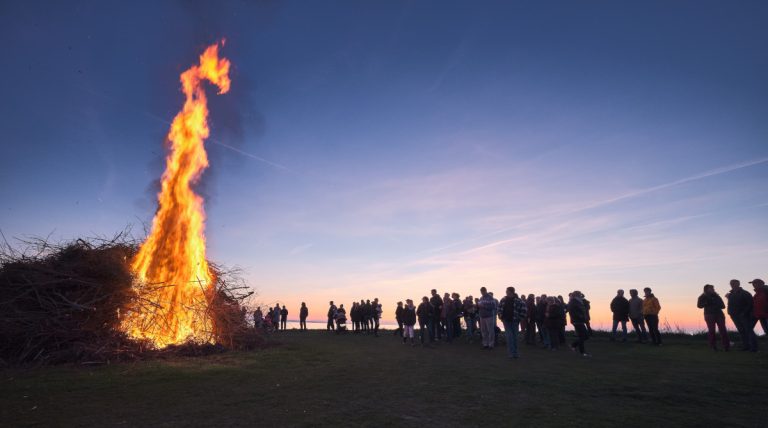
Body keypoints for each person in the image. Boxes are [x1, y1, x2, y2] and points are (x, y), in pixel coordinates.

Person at [726, 279, 757, 352]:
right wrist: (730, 312)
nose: (732, 285)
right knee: (741, 331)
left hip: (744, 315)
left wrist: (744, 313)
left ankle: (753, 348)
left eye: (734, 283)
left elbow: (750, 304)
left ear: (738, 284)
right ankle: (746, 346)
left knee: (748, 331)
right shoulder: (731, 294)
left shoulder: (745, 293)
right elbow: (730, 304)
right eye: (731, 283)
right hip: (734, 315)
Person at [697, 284, 729, 351]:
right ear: (706, 289)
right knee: (712, 331)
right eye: (711, 288)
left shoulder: (717, 297)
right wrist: (706, 303)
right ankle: (713, 347)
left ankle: (726, 346)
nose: (713, 289)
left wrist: (716, 304)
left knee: (723, 330)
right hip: (709, 315)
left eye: (713, 288)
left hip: (719, 315)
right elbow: (699, 306)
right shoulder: (702, 297)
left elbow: (723, 306)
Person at [499, 286, 527, 359]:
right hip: (506, 321)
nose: (506, 292)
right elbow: (499, 308)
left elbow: (524, 310)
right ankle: (511, 353)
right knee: (509, 337)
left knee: (515, 337)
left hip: (515, 321)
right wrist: (500, 317)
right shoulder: (503, 299)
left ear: (511, 292)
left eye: (507, 291)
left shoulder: (519, 301)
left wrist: (520, 318)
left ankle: (515, 353)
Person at [567, 291, 590, 357]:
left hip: (580, 321)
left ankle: (573, 345)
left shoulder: (578, 301)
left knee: (585, 336)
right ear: (577, 295)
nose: (581, 295)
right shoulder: (573, 301)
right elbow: (572, 311)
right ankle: (582, 352)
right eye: (580, 294)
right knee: (583, 336)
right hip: (577, 321)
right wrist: (580, 316)